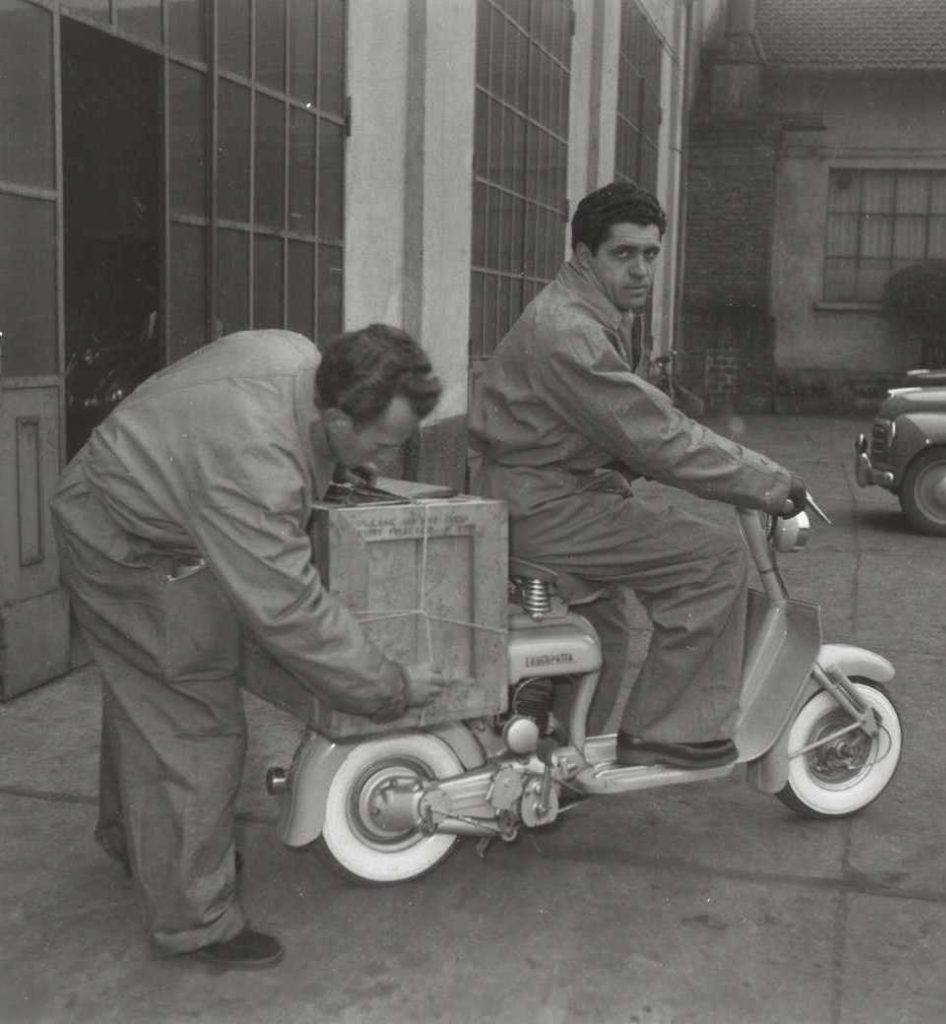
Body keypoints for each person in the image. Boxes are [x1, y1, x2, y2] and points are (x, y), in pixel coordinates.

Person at [51, 324, 449, 969]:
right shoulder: (257, 469)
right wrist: (389, 686)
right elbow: (288, 609)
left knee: (146, 693)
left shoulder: (294, 354)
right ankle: (195, 924)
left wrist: (340, 461)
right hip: (119, 541)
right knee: (193, 716)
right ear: (336, 416)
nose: (386, 456)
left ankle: (138, 841)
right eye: (382, 440)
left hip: (130, 495)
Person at [468, 181, 806, 770]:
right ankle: (670, 732)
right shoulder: (570, 330)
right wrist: (765, 481)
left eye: (650, 254)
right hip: (545, 504)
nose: (641, 269)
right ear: (584, 256)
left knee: (606, 637)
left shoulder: (589, 312)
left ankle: (558, 765)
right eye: (624, 254)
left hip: (540, 494)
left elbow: (621, 421)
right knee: (713, 561)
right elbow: (655, 437)